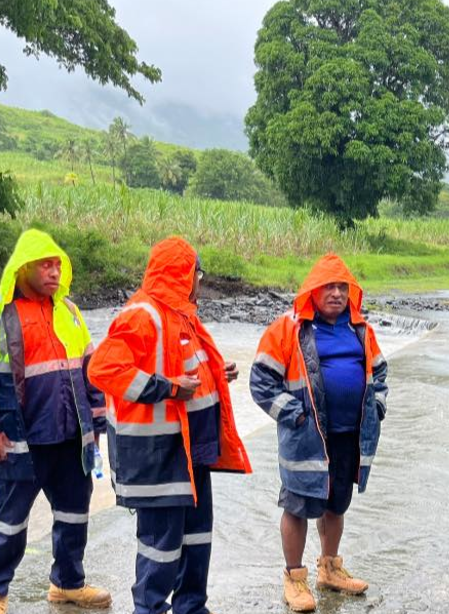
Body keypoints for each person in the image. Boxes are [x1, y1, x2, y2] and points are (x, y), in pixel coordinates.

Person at [88, 236, 251, 614]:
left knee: (196, 539)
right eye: (198, 273)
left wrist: (215, 373)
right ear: (184, 274)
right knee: (160, 548)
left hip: (191, 452)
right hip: (157, 456)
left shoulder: (182, 316)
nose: (200, 281)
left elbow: (183, 371)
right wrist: (169, 388)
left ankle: (192, 608)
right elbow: (104, 369)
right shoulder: (143, 315)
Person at [0, 229, 110, 614]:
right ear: (23, 268)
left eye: (58, 265)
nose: (54, 272)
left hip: (69, 440)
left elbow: (91, 370)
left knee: (74, 515)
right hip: (20, 443)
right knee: (10, 522)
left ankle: (68, 585)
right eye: (45, 264)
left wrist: (96, 426)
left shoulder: (68, 311)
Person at [250, 253, 388, 612]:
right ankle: (294, 579)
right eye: (330, 286)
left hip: (348, 435)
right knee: (297, 503)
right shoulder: (288, 328)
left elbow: (380, 371)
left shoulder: (361, 330)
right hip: (306, 436)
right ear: (313, 289)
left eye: (343, 287)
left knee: (337, 502)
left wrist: (378, 406)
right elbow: (261, 381)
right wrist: (294, 415)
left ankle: (329, 569)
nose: (338, 293)